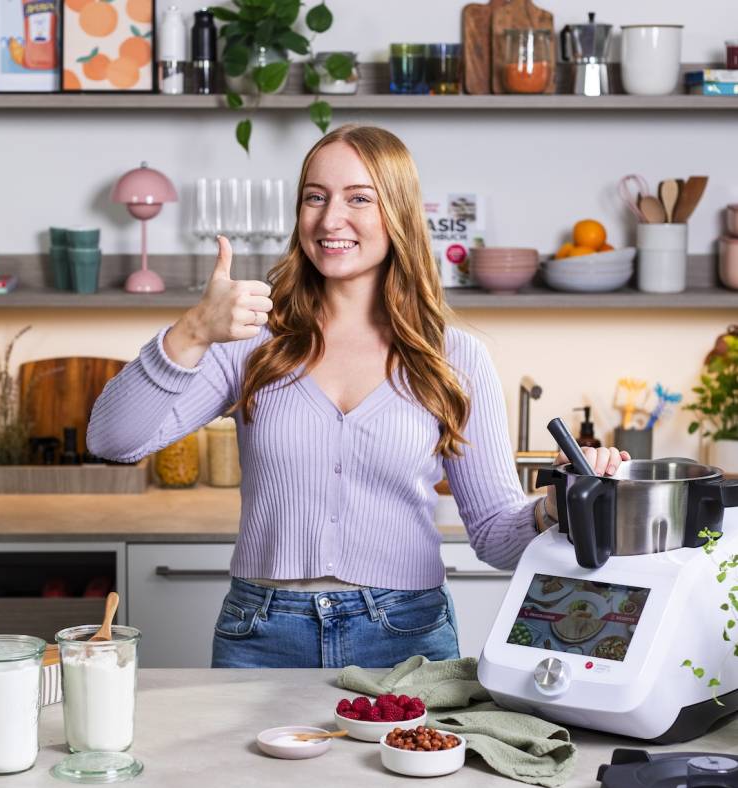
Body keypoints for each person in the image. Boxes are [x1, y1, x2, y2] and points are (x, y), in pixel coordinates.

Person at [87, 124, 627, 669]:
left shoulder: (453, 357)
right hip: (261, 632)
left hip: (406, 635)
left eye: (359, 199)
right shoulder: (250, 340)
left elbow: (493, 537)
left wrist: (556, 505)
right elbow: (112, 440)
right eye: (314, 197)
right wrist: (193, 330)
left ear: (398, 213)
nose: (329, 219)